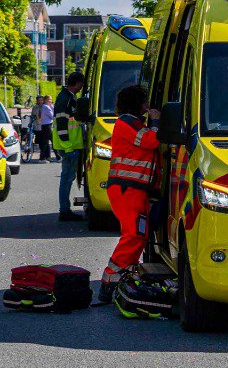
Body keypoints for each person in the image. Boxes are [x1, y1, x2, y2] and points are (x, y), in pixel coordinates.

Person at [98, 83, 162, 303]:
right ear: (138, 103)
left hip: (135, 189)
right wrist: (156, 121)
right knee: (134, 234)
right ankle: (110, 279)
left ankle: (124, 275)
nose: (147, 106)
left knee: (140, 234)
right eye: (144, 101)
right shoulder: (126, 122)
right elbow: (150, 141)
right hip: (127, 188)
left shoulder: (133, 123)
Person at [53, 72, 87, 221]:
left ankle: (65, 210)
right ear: (77, 83)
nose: (82, 87)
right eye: (81, 84)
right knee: (66, 178)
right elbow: (61, 126)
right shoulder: (64, 99)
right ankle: (65, 211)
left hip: (70, 145)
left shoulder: (68, 97)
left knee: (67, 177)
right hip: (68, 146)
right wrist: (68, 148)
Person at [31, 94, 55, 161]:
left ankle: (47, 156)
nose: (40, 101)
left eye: (41, 100)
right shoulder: (35, 107)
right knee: (41, 143)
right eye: (39, 100)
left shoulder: (45, 107)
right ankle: (44, 157)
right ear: (37, 101)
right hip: (37, 127)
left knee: (46, 142)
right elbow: (32, 116)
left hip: (44, 126)